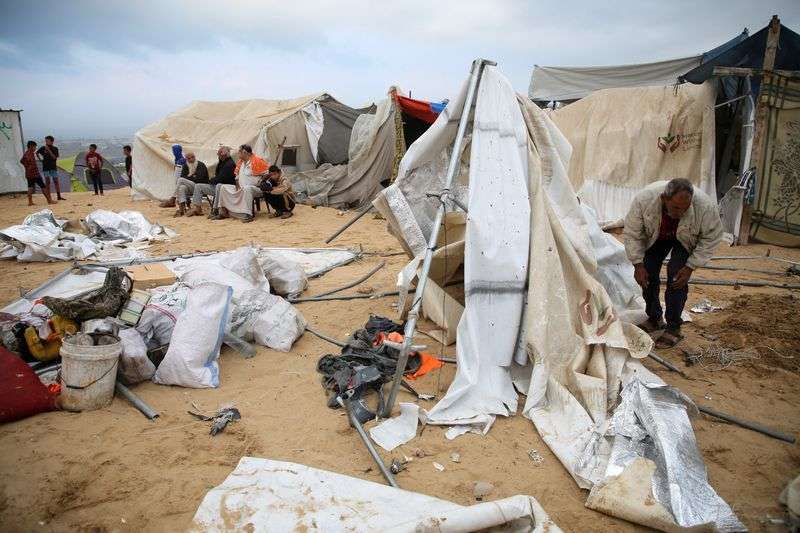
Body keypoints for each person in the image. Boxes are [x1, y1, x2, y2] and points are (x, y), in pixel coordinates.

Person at [623, 178, 723, 348]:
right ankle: (654, 318)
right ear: (664, 199)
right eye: (676, 208)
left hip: (686, 239)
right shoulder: (644, 200)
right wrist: (637, 264)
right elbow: (633, 233)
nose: (680, 213)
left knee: (677, 277)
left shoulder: (705, 206)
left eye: (685, 209)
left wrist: (690, 266)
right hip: (657, 235)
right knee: (647, 272)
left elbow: (711, 237)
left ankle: (673, 327)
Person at [210, 145, 269, 223]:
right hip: (241, 187)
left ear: (245, 152)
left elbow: (268, 173)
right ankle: (223, 212)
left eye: (239, 152)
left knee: (247, 188)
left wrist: (261, 181)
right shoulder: (240, 162)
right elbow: (236, 177)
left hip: (255, 188)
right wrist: (237, 186)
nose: (238, 153)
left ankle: (248, 215)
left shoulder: (257, 161)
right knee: (223, 187)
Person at [188, 146, 236, 217]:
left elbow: (221, 178)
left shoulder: (230, 164)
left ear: (223, 155)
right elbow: (217, 176)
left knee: (206, 186)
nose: (218, 156)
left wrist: (210, 181)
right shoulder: (222, 163)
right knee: (198, 186)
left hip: (224, 188)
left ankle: (215, 210)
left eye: (219, 154)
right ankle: (197, 208)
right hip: (217, 185)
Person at [173, 151, 209, 216]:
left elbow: (199, 179)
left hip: (200, 187)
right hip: (191, 187)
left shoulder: (201, 165)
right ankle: (181, 208)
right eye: (188, 159)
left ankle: (173, 198)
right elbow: (183, 176)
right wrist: (192, 176)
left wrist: (188, 177)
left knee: (181, 180)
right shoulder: (186, 166)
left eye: (191, 158)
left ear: (194, 157)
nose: (190, 160)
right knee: (182, 187)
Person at [20, 141, 56, 206]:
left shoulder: (26, 153)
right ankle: (49, 200)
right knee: (43, 186)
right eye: (34, 147)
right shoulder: (29, 154)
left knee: (30, 187)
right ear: (31, 146)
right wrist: (30, 167)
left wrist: (26, 167)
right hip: (34, 173)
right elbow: (30, 163)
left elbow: (21, 161)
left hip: (28, 174)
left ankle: (30, 202)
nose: (35, 148)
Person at [36, 135, 64, 200]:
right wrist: (40, 160)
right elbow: (37, 153)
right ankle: (49, 197)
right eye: (45, 141)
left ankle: (59, 196)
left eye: (47, 141)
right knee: (47, 182)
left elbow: (54, 157)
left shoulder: (55, 148)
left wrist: (48, 150)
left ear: (52, 141)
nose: (46, 142)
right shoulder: (43, 148)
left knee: (56, 181)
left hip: (53, 167)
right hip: (46, 167)